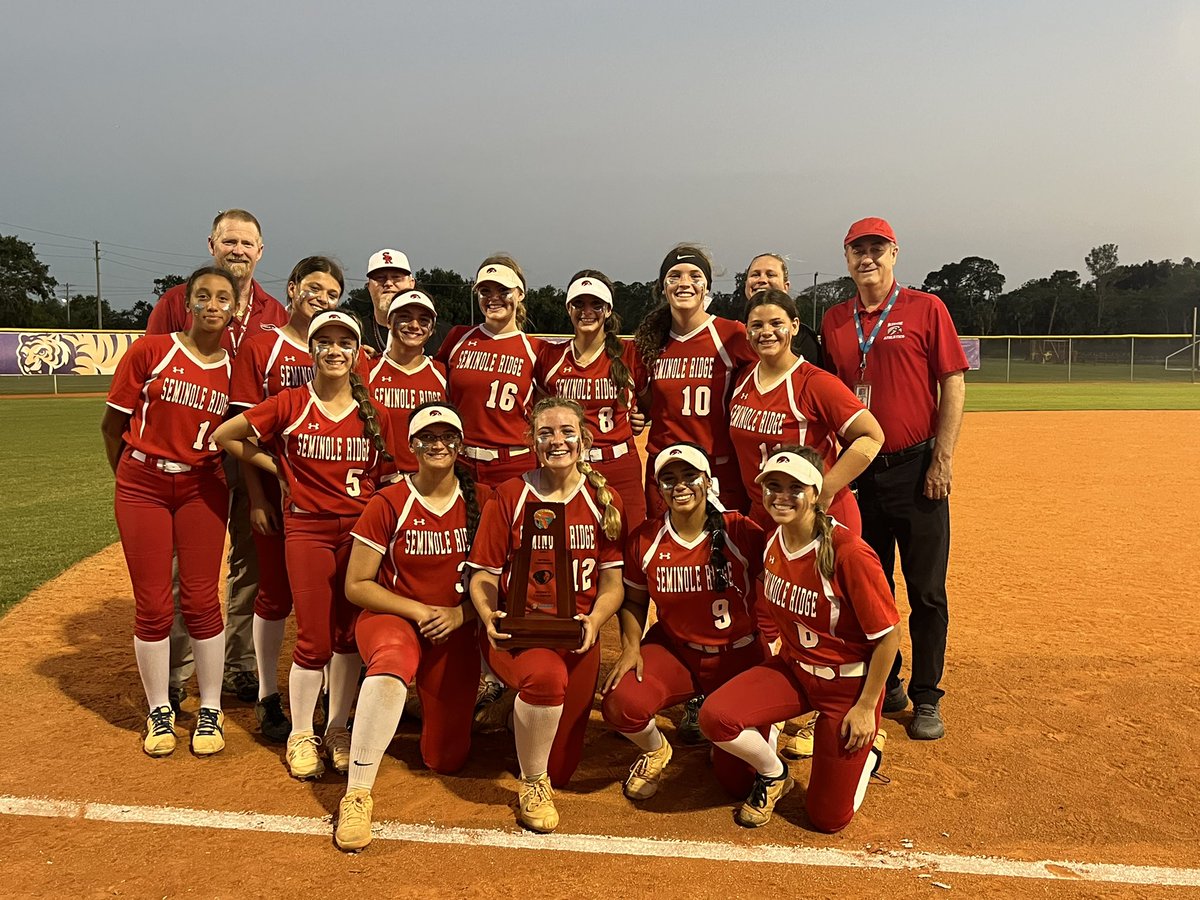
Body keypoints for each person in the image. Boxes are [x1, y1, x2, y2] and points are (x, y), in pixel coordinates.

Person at [215, 310, 394, 780]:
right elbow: (225, 435)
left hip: (358, 535)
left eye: (344, 343)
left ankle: (336, 727)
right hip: (309, 530)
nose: (335, 351)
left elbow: (393, 472)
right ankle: (300, 732)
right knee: (313, 638)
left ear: (357, 353)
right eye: (326, 342)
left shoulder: (373, 409)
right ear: (312, 350)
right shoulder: (291, 402)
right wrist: (281, 470)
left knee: (346, 635)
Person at [820, 217, 968, 741]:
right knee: (871, 588)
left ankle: (927, 697)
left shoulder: (927, 309)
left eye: (877, 249)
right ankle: (894, 681)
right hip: (861, 473)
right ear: (847, 259)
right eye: (858, 250)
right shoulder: (834, 319)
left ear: (895, 253)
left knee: (926, 590)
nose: (868, 259)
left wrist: (942, 460)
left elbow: (952, 384)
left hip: (915, 467)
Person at [699, 448, 898, 831]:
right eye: (773, 486)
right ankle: (775, 774)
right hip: (793, 669)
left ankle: (869, 753)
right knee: (716, 719)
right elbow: (764, 594)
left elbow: (889, 638)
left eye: (795, 487)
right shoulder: (775, 538)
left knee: (827, 820)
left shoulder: (848, 553)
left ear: (816, 490)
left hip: (847, 687)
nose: (782, 496)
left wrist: (866, 706)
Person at [147, 209, 288, 707]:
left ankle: (240, 664)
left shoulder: (276, 312)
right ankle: (178, 669)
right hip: (191, 455)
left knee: (251, 561)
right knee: (189, 567)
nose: (238, 250)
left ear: (261, 251)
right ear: (211, 244)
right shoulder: (175, 302)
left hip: (250, 451)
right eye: (229, 241)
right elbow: (149, 376)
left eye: (248, 243)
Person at [335, 402, 489, 851]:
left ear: (460, 445)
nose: (438, 444)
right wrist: (419, 611)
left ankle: (418, 706)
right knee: (393, 658)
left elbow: (501, 576)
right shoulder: (390, 501)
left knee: (445, 759)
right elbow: (357, 585)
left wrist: (460, 614)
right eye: (428, 437)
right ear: (412, 446)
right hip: (395, 617)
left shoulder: (483, 500)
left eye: (447, 437)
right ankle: (357, 792)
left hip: (453, 625)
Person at [467, 397, 624, 834]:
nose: (557, 440)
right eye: (546, 433)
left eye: (566, 431)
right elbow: (482, 573)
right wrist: (487, 615)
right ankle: (532, 784)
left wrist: (594, 622)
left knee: (566, 767)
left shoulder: (602, 498)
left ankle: (516, 711)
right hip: (521, 633)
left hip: (577, 636)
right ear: (531, 441)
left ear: (584, 438)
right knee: (546, 681)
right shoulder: (512, 495)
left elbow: (612, 584)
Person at [101, 266, 236, 757]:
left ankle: (210, 707)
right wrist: (133, 477)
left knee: (202, 600)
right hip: (143, 482)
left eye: (223, 296)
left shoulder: (234, 367)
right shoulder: (151, 350)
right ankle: (160, 708)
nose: (213, 304)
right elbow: (111, 426)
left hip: (203, 484)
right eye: (203, 295)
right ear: (187, 303)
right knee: (154, 603)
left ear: (235, 308)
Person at [601, 443, 767, 802]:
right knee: (621, 702)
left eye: (690, 476)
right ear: (659, 488)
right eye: (669, 479)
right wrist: (631, 646)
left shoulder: (740, 530)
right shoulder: (646, 538)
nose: (680, 485)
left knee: (737, 783)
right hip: (678, 652)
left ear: (708, 481)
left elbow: (780, 582)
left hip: (738, 657)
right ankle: (656, 750)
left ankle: (726, 727)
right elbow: (633, 598)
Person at [228, 256, 343, 742]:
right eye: (313, 287)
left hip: (328, 500)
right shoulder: (263, 346)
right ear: (292, 289)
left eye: (333, 292)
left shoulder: (344, 349)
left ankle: (333, 701)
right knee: (273, 595)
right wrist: (260, 495)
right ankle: (267, 696)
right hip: (278, 497)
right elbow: (243, 435)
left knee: (333, 602)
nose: (322, 297)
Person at [730, 289, 883, 535]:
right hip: (766, 513)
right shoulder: (743, 379)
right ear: (747, 332)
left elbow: (872, 436)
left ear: (794, 326)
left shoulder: (814, 381)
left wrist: (824, 491)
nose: (766, 332)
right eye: (756, 325)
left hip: (814, 514)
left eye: (776, 323)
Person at [632, 245, 756, 519]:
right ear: (663, 286)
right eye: (674, 276)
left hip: (716, 467)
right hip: (664, 467)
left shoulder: (731, 334)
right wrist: (636, 415)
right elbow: (647, 405)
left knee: (725, 555)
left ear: (707, 286)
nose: (685, 283)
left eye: (694, 275)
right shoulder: (650, 343)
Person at [536, 270, 649, 529]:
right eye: (579, 304)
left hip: (619, 464)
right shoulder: (551, 357)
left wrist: (640, 418)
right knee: (571, 545)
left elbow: (651, 404)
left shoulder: (629, 354)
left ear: (608, 310)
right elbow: (539, 412)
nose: (587, 311)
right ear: (568, 308)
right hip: (567, 465)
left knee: (628, 544)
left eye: (595, 304)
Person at [435, 256, 546, 489]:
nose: (493, 298)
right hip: (461, 462)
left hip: (513, 465)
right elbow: (426, 376)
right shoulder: (458, 337)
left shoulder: (536, 350)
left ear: (520, 294)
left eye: (503, 290)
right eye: (485, 291)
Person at [366, 290, 448, 475]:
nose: (414, 325)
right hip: (380, 483)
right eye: (405, 317)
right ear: (388, 321)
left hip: (429, 483)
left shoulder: (443, 373)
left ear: (433, 328)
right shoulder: (368, 370)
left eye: (423, 320)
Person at [743, 253, 822, 366]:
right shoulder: (732, 335)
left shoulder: (804, 338)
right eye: (755, 275)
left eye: (770, 275)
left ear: (786, 287)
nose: (762, 280)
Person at [363, 249, 415, 353]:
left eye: (396, 277)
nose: (388, 283)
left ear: (411, 284)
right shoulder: (355, 333)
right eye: (380, 277)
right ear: (369, 287)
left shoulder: (440, 334)